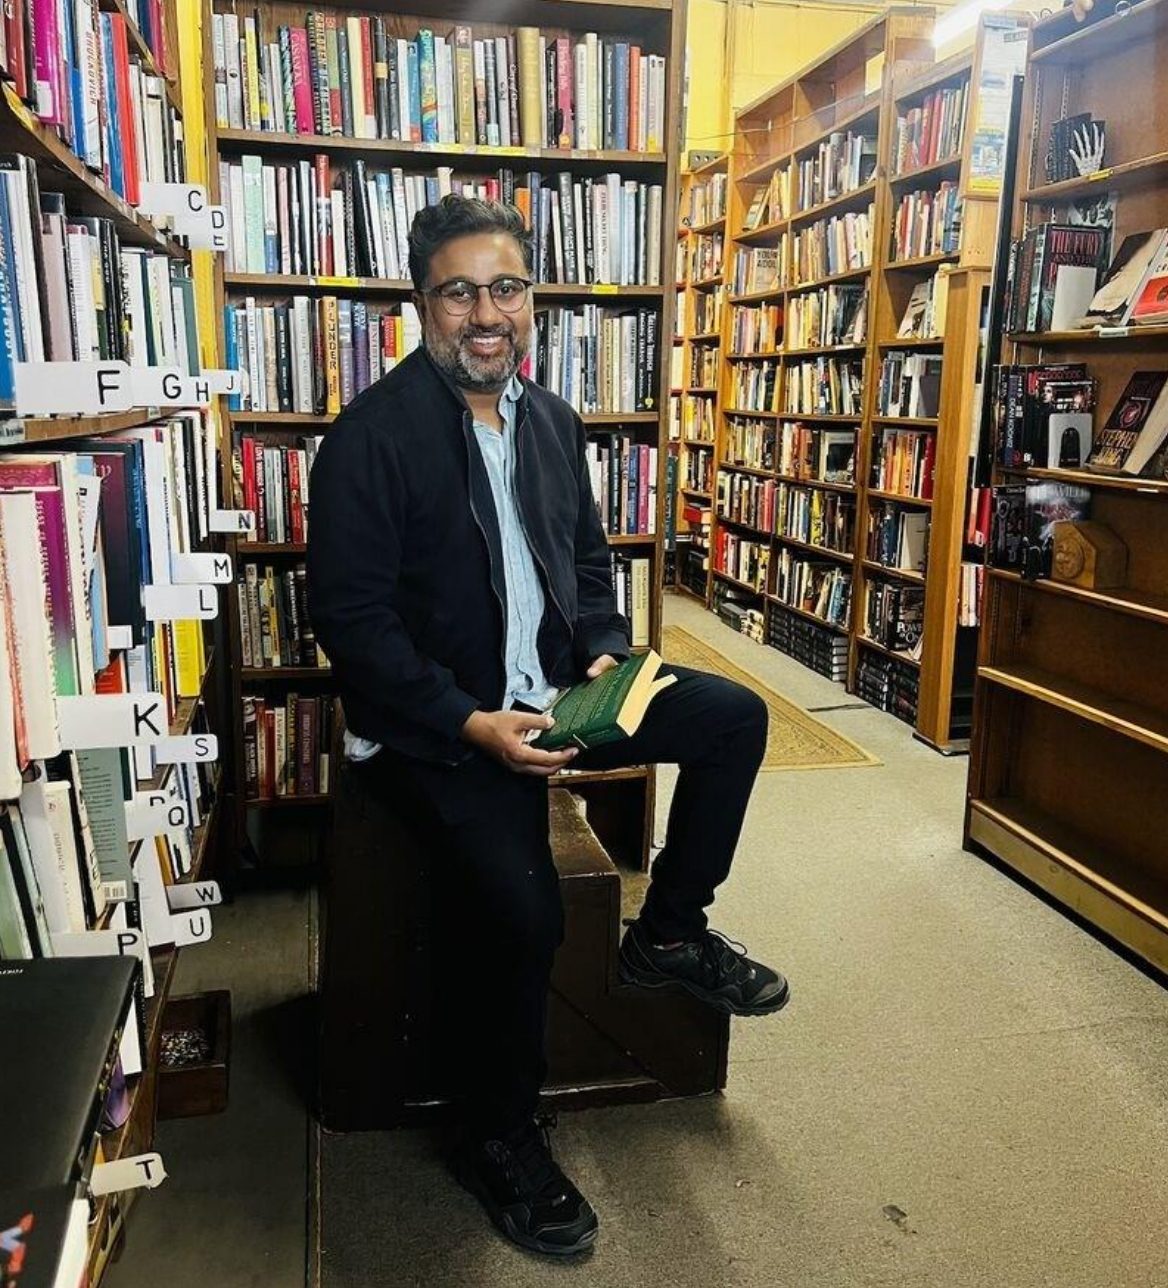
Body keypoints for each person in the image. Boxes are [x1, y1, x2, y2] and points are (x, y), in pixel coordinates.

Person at [307, 195, 788, 1259]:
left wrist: (608, 650)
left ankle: (669, 931)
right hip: (439, 727)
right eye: (459, 290)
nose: (487, 312)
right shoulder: (369, 439)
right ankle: (500, 1135)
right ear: (420, 304)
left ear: (536, 300)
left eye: (507, 287)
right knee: (525, 915)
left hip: (560, 696)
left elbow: (582, 564)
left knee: (730, 717)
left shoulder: (555, 422)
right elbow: (351, 624)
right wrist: (470, 721)